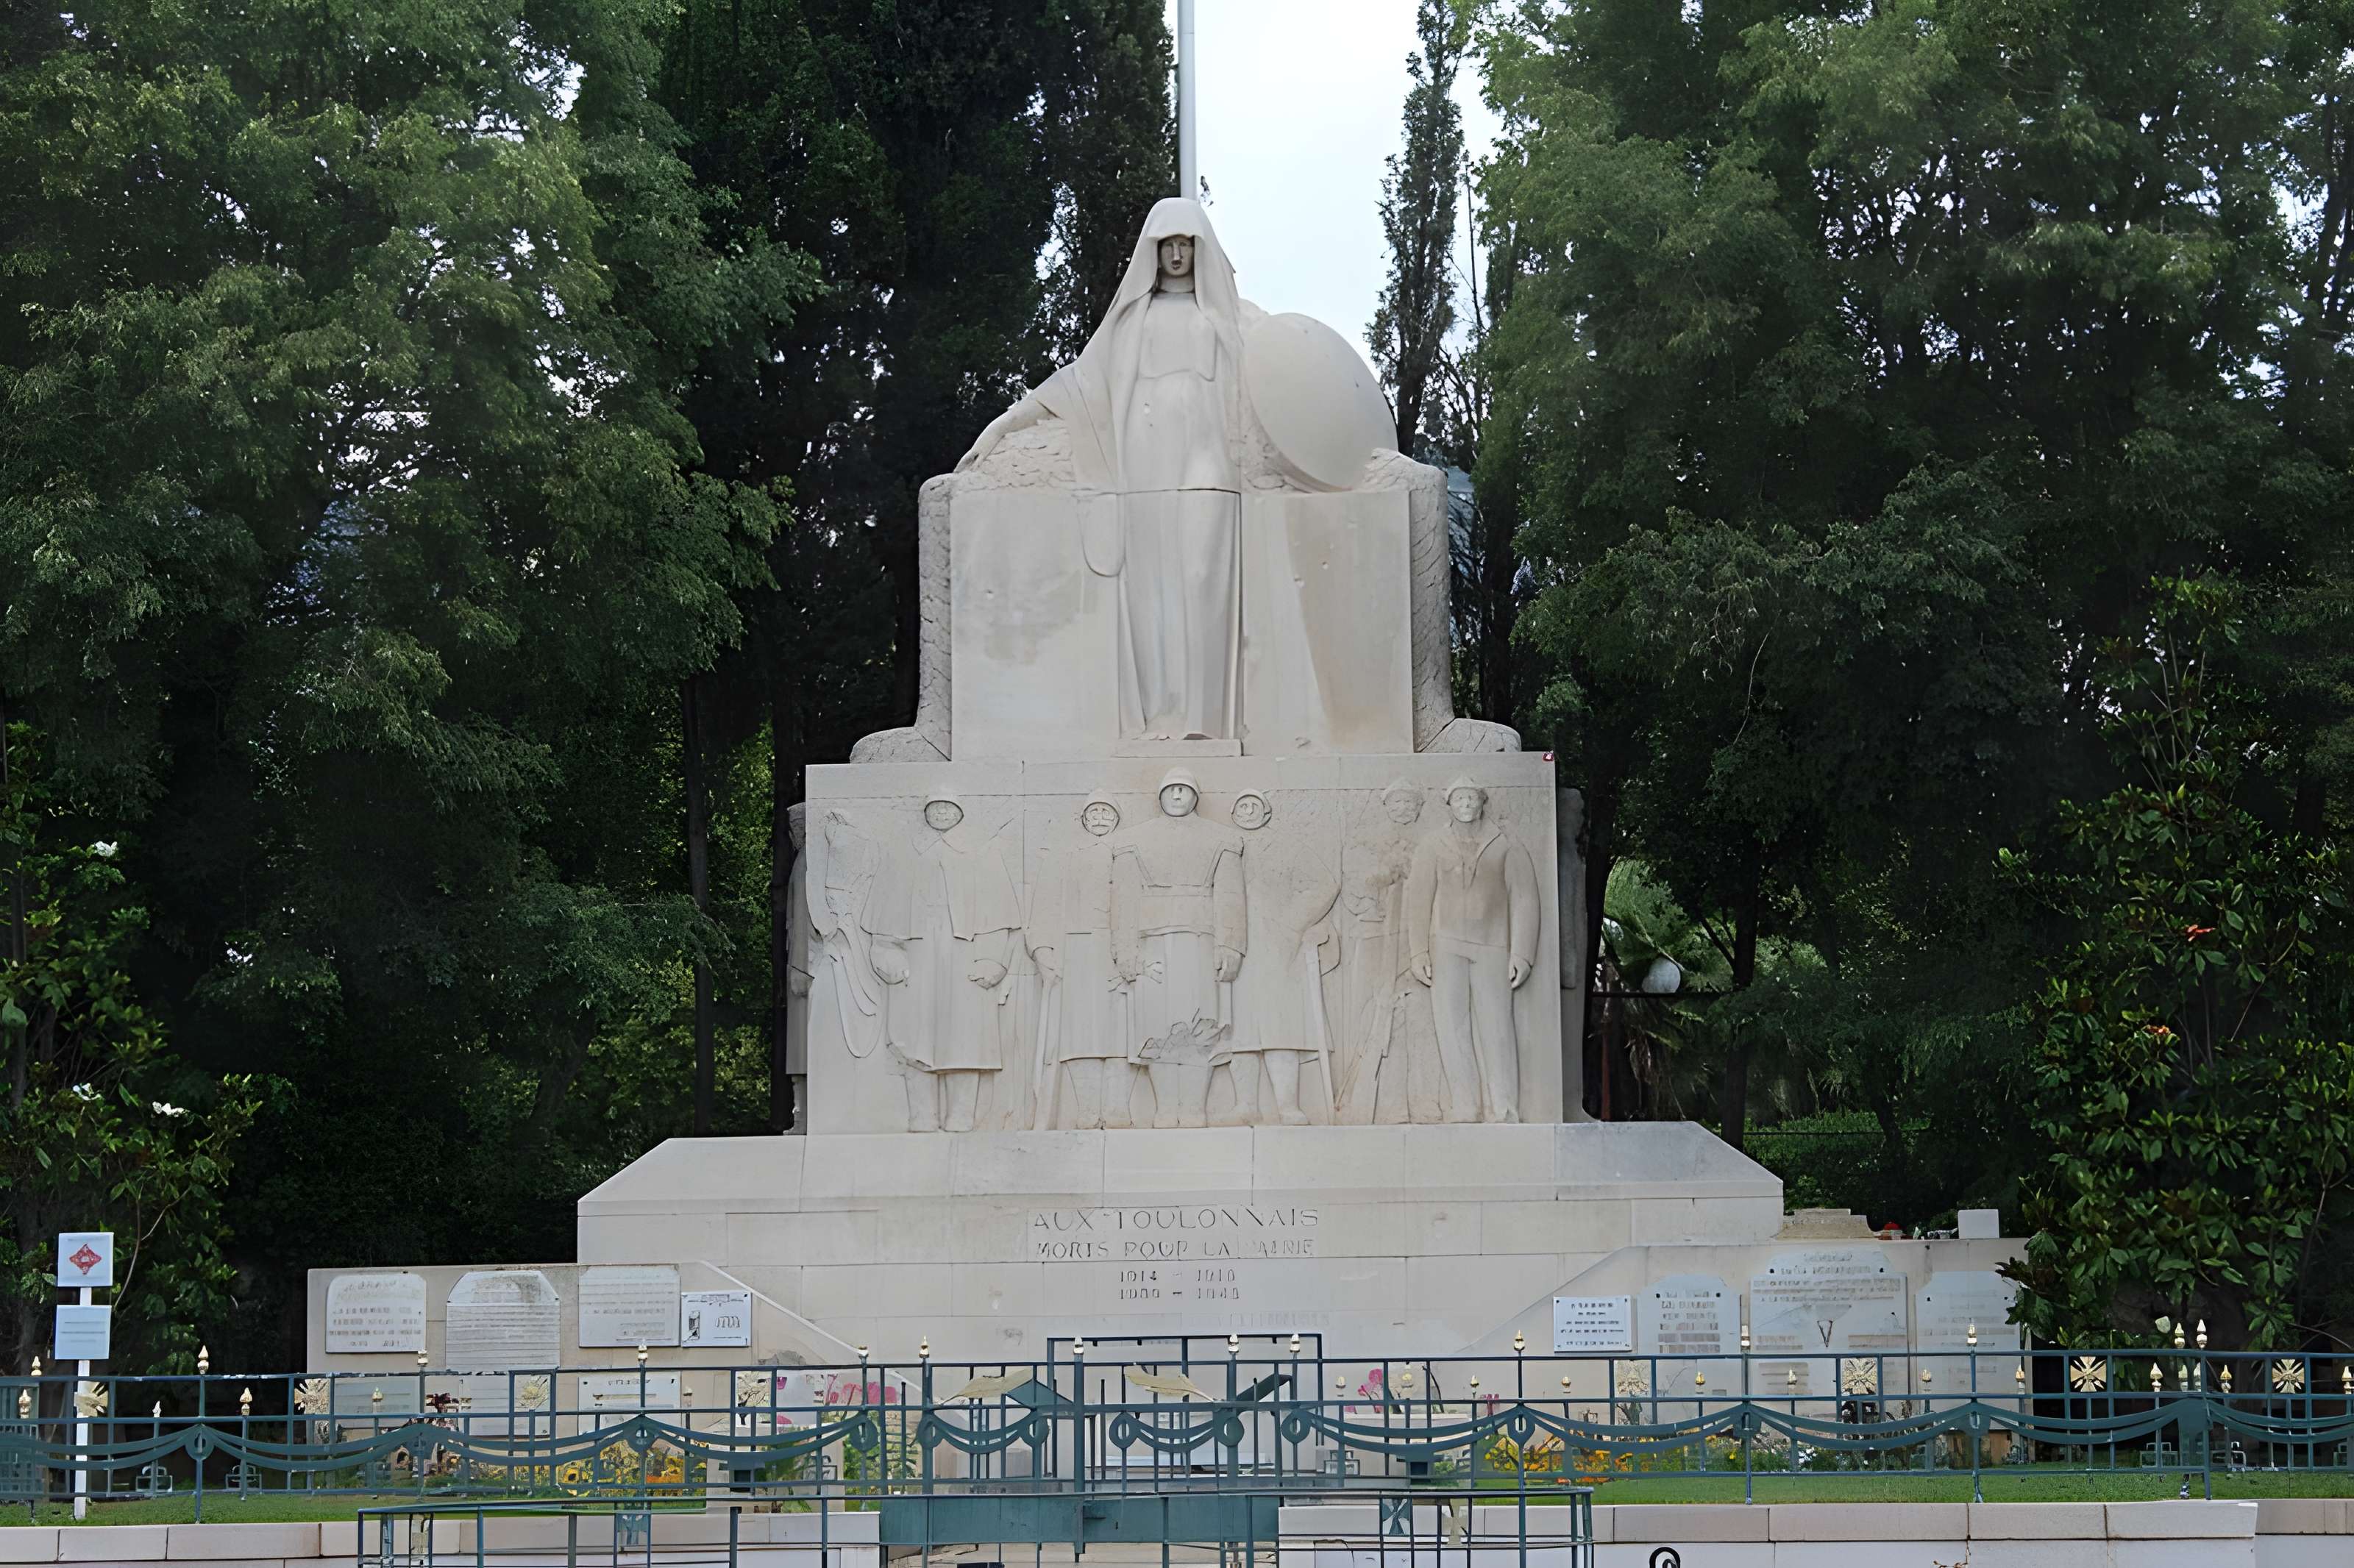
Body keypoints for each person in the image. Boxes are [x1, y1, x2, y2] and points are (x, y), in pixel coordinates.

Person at [958, 199, 1245, 741]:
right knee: (1152, 585)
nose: (1179, 255)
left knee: (1203, 574)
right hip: (1144, 458)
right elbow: (1080, 382)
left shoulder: (1229, 318)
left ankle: (1206, 720)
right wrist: (1004, 425)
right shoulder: (1133, 320)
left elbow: (1274, 379)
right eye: (1168, 246)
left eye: (1188, 245)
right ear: (1153, 253)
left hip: (1208, 459)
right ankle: (1162, 712)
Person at [868, 793, 1023, 1132]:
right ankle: (921, 1112)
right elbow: (883, 929)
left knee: (967, 1034)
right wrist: (888, 957)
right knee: (915, 1033)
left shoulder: (982, 854)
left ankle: (962, 1112)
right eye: (935, 806)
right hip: (919, 957)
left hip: (967, 958)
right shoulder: (904, 856)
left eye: (949, 806)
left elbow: (1001, 920)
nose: (941, 812)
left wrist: (994, 961)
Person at [1111, 769, 1245, 1127]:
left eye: (1184, 790)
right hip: (1152, 941)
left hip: (1202, 939)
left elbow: (1231, 897)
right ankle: (1166, 1106)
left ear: (1195, 796)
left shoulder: (1221, 839)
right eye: (1170, 790)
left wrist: (1231, 946)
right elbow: (1124, 899)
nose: (1176, 797)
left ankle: (1195, 1108)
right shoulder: (1133, 840)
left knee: (1200, 1027)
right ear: (1159, 795)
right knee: (1157, 1027)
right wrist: (1125, 951)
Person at [1406, 780, 1540, 1123]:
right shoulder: (1433, 845)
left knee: (1497, 1027)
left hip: (1493, 946)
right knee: (1452, 1028)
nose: (1465, 804)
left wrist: (1522, 953)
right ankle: (1465, 1105)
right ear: (1449, 803)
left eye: (1471, 798)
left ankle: (1504, 1107)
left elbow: (1524, 898)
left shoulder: (1506, 843)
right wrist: (1418, 951)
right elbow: (1419, 899)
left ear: (1482, 802)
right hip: (1446, 946)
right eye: (1459, 798)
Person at [1223, 790, 1339, 1125]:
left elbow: (1323, 885)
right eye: (1240, 805)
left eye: (1253, 806)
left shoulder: (1288, 846)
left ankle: (1288, 1105)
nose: (1247, 812)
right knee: (1239, 1029)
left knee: (1281, 1026)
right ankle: (1245, 1104)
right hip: (1235, 949)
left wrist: (1292, 922)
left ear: (1267, 812)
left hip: (1278, 949)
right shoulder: (1227, 847)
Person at [1028, 793, 1131, 1129]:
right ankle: (1087, 1109)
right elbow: (1043, 908)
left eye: (1107, 812)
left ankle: (1117, 1109)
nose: (1100, 818)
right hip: (1077, 951)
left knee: (1122, 1033)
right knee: (1080, 1033)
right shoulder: (1064, 858)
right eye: (1094, 812)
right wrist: (1043, 951)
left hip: (1122, 951)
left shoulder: (1130, 854)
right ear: (1084, 819)